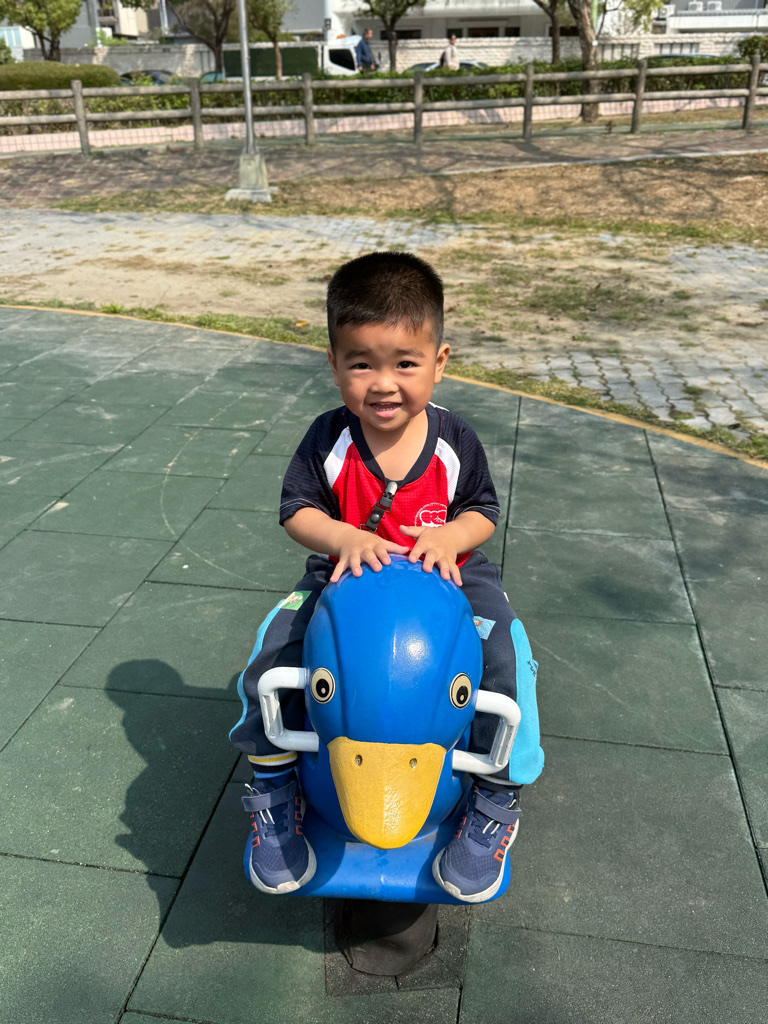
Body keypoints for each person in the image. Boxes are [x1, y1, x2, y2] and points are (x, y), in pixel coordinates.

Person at [229, 252, 544, 902]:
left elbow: (482, 511)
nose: (383, 384)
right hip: (343, 576)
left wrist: (451, 536)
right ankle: (273, 783)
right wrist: (342, 536)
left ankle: (497, 796)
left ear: (439, 361)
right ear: (333, 364)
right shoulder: (329, 438)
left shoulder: (454, 441)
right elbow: (297, 509)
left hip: (451, 574)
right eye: (361, 364)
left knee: (507, 658)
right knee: (271, 654)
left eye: (404, 363)